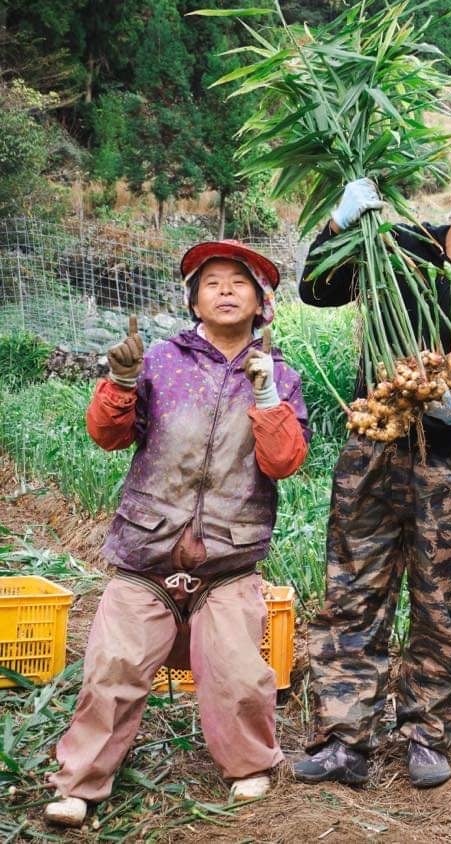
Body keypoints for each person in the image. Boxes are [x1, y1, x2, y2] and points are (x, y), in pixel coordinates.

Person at [45, 241, 310, 827]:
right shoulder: (161, 361)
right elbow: (108, 436)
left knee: (239, 675)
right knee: (112, 668)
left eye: (239, 282)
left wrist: (265, 394)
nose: (225, 290)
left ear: (261, 303)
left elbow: (284, 461)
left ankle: (249, 764)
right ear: (193, 300)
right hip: (147, 552)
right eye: (211, 281)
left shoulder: (282, 376)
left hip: (228, 561)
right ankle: (79, 782)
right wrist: (120, 381)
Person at [293, 155, 451, 789]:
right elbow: (315, 290)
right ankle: (344, 739)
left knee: (439, 605)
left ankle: (427, 737)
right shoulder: (397, 246)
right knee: (352, 593)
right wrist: (339, 226)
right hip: (371, 445)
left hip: (444, 463)